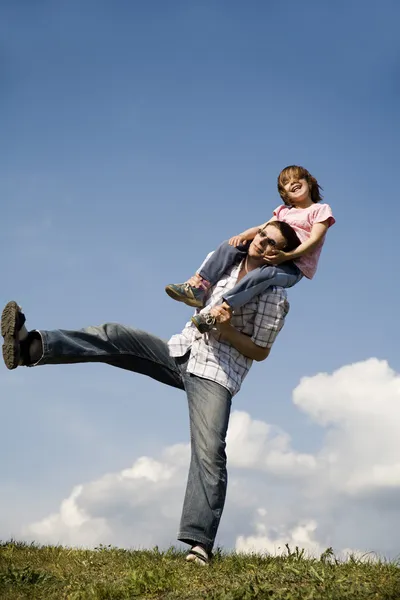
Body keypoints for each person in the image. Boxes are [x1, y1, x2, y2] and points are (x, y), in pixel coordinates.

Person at [1, 220, 300, 566]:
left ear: (279, 256)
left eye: (272, 244)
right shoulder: (226, 262)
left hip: (216, 375)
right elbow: (194, 291)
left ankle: (199, 545)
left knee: (209, 451)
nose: (262, 244)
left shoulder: (275, 296)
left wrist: (227, 329)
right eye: (263, 236)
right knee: (115, 335)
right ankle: (32, 347)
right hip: (180, 353)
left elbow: (260, 350)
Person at [165, 165, 335, 333]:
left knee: (264, 275)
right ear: (286, 195)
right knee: (230, 246)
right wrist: (242, 236)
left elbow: (314, 239)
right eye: (287, 183)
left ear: (309, 182)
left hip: (294, 265)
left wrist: (287, 256)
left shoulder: (320, 210)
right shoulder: (284, 212)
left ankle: (220, 310)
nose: (293, 183)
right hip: (273, 251)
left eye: (297, 179)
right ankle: (199, 287)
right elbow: (263, 227)